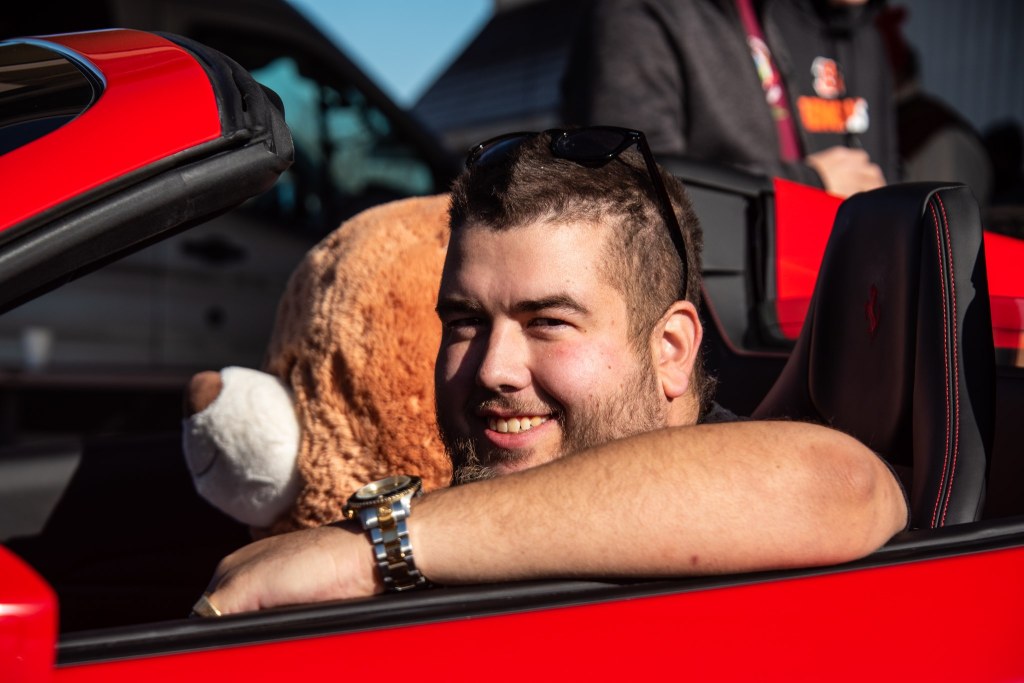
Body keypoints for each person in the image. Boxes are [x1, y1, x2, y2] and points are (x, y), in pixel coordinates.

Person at [196, 127, 907, 616]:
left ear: (670, 349)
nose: (493, 368)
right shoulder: (478, 536)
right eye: (465, 321)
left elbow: (842, 483)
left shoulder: (750, 539)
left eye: (548, 322)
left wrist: (376, 548)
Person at [561, 0, 897, 198]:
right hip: (710, 290)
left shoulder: (767, 13)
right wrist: (809, 183)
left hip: (791, 276)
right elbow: (635, 184)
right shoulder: (633, 13)